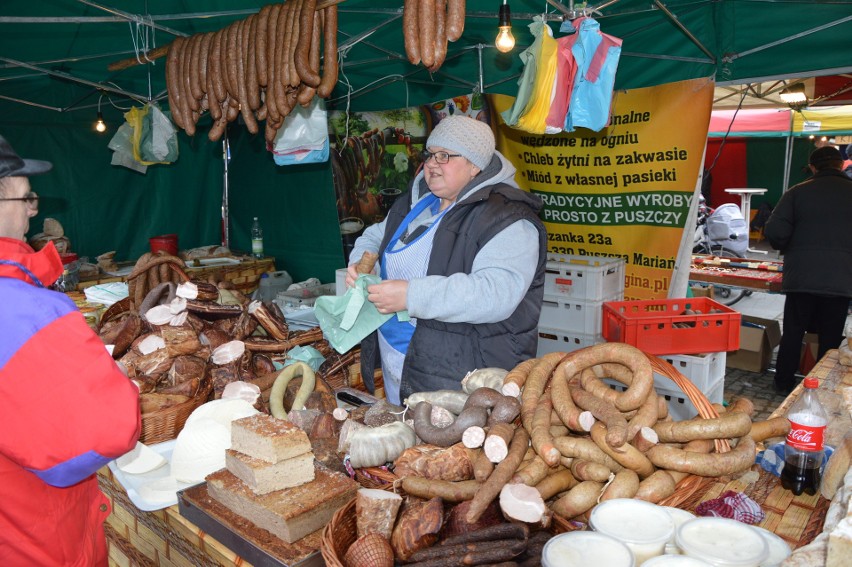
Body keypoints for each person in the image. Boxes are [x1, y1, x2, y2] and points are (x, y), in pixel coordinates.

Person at [0, 135, 141, 566]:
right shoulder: (21, 307)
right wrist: (116, 385)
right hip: (32, 540)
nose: (31, 211)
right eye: (28, 198)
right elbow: (108, 428)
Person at [346, 116, 547, 405]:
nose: (431, 164)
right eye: (430, 154)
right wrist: (360, 263)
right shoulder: (416, 204)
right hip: (402, 357)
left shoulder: (509, 219)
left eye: (445, 156)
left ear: (475, 165)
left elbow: (495, 293)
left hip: (464, 372)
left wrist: (410, 295)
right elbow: (374, 236)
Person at [764, 145, 852, 395]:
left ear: (813, 167)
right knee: (831, 339)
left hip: (801, 278)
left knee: (793, 332)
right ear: (840, 164)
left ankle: (783, 385)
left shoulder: (797, 192)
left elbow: (775, 233)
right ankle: (821, 388)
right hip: (841, 279)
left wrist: (793, 243)